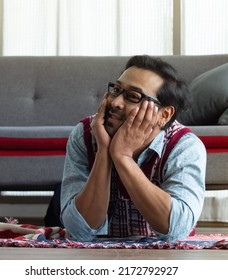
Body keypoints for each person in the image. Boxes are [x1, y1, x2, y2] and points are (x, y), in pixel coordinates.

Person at [58, 55, 206, 242]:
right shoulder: (86, 134)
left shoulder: (184, 146)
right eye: (116, 90)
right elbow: (78, 231)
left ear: (164, 114)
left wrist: (122, 157)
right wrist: (104, 151)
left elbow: (177, 230)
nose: (116, 102)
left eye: (133, 96)